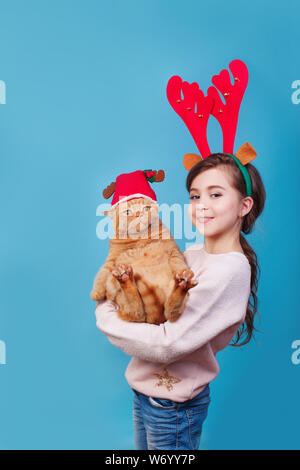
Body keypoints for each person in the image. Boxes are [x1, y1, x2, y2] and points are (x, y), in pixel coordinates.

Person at [95, 153, 266, 450]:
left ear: (244, 205)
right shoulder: (195, 254)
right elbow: (156, 305)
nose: (202, 205)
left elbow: (166, 343)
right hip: (145, 393)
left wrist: (106, 315)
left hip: (172, 409)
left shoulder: (230, 269)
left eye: (215, 194)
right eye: (195, 195)